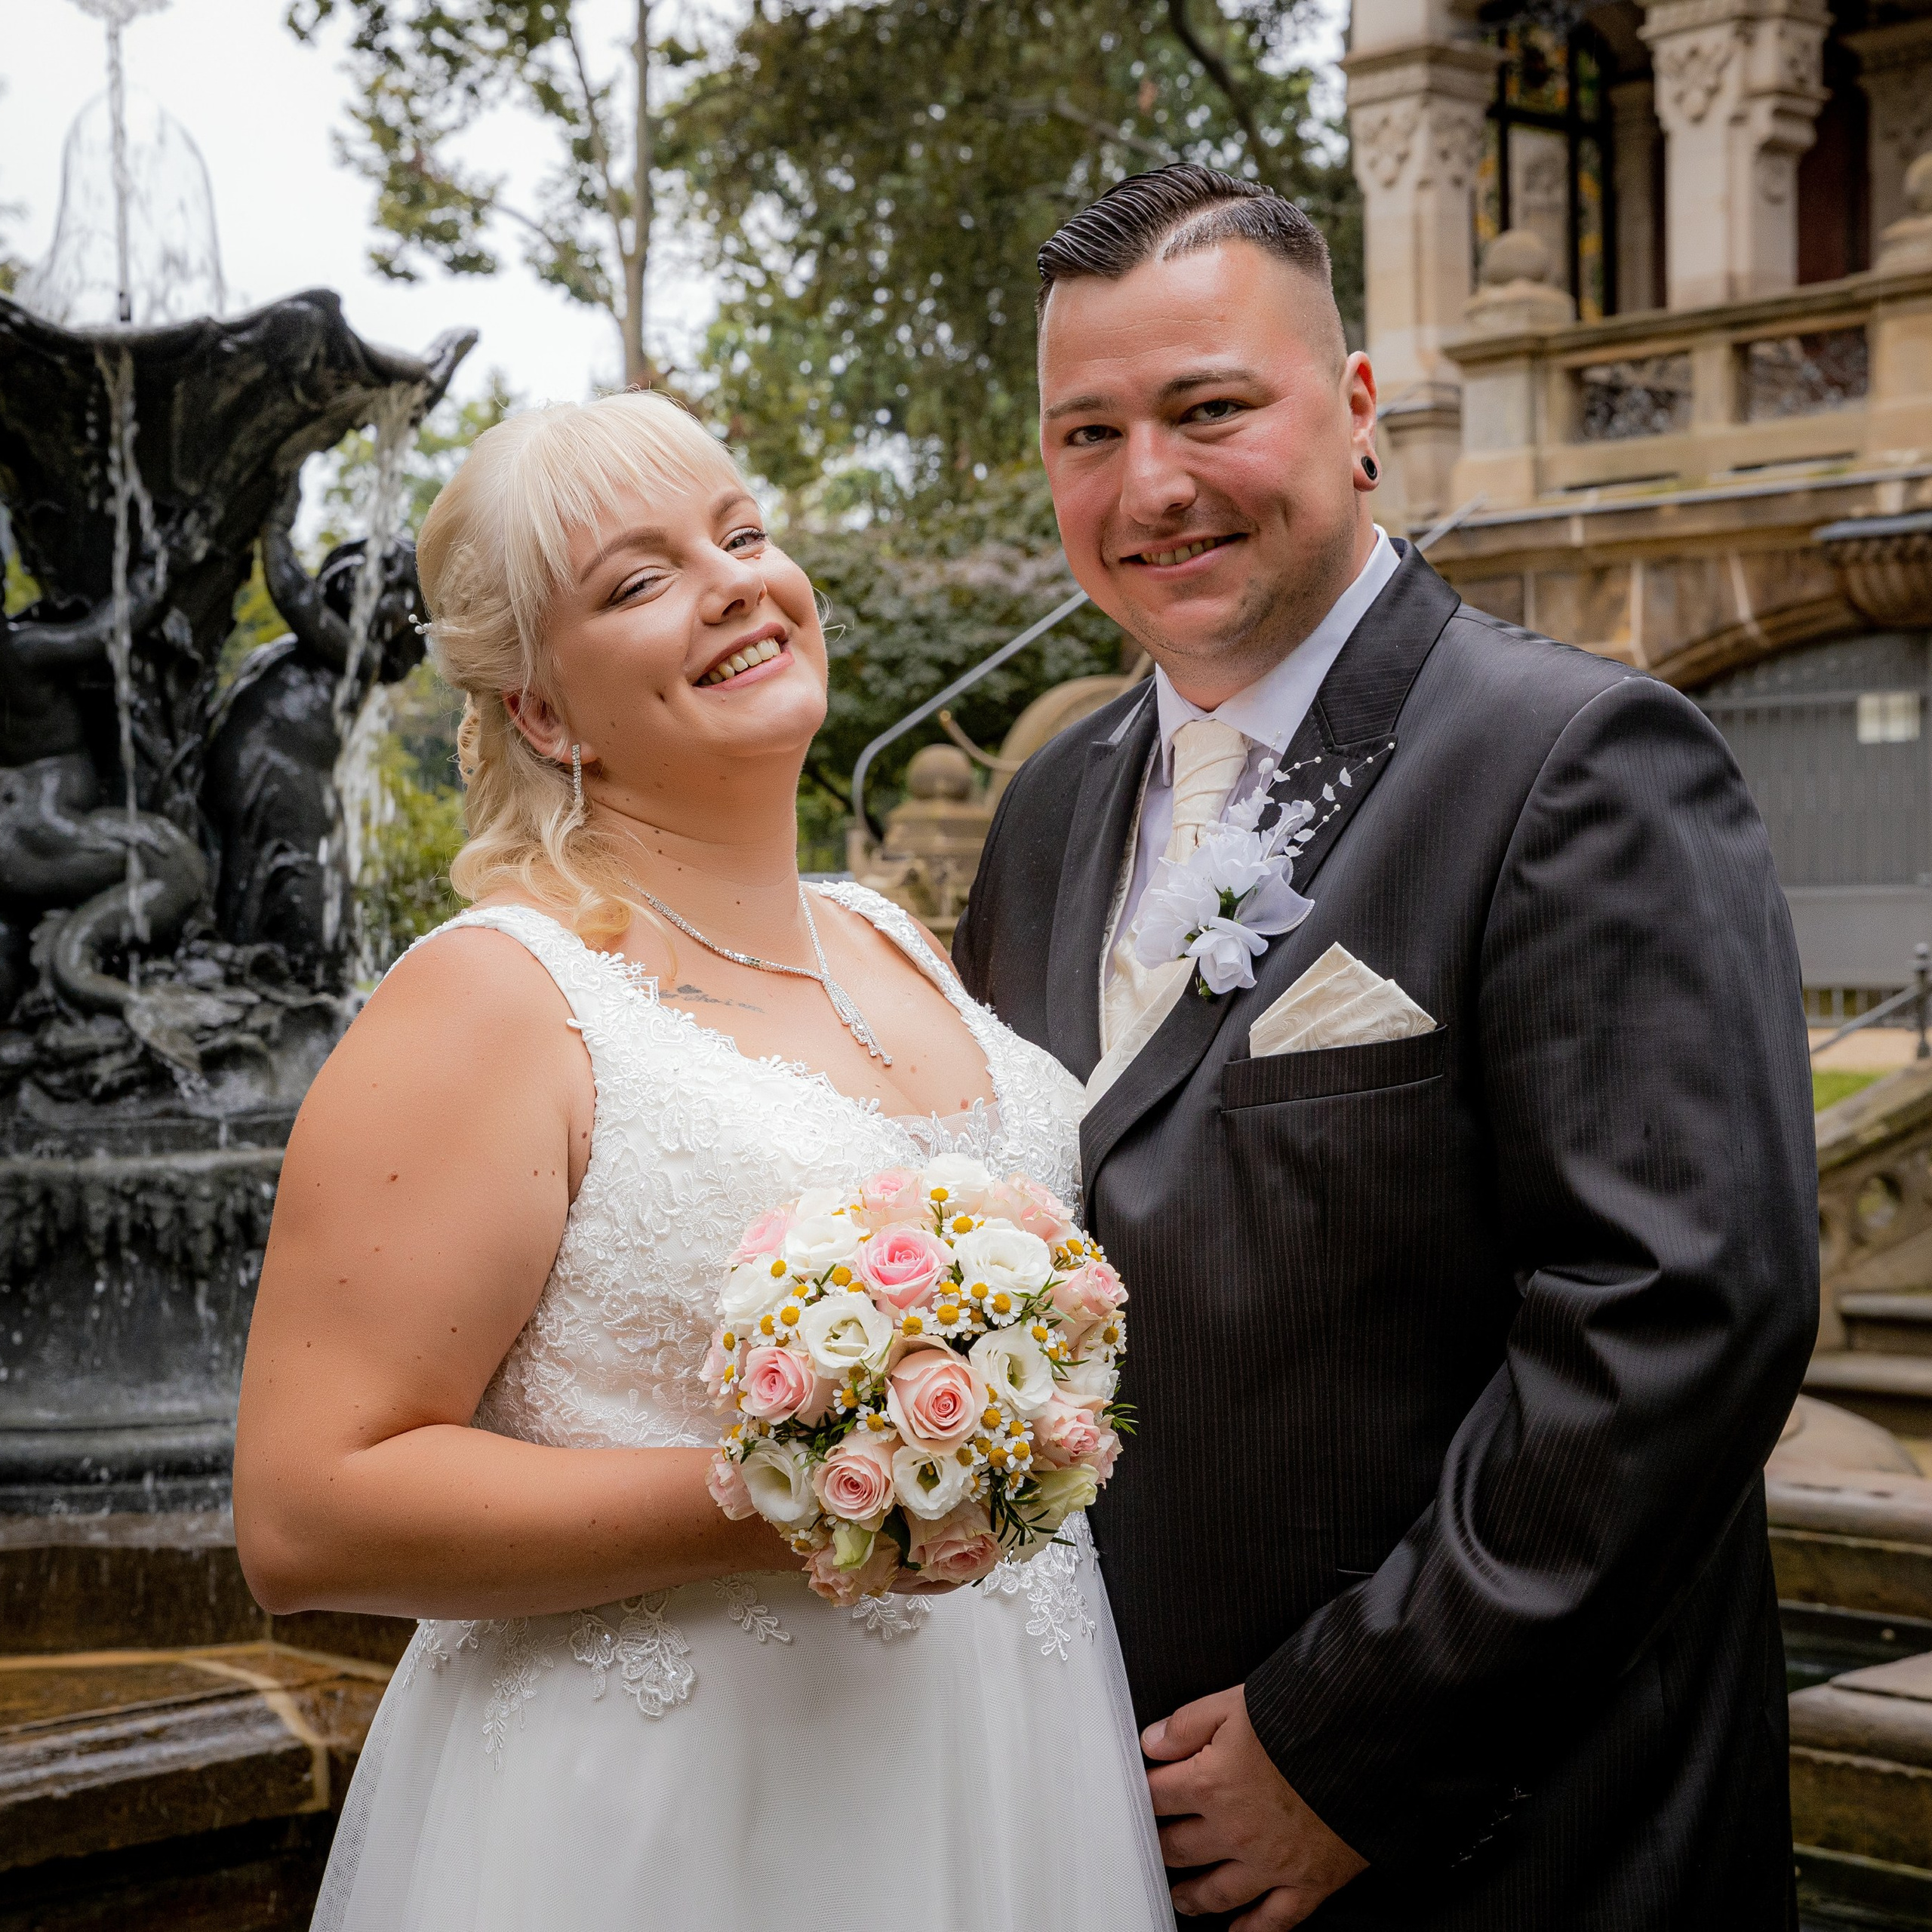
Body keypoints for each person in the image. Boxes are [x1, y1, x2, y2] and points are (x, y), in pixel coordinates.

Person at [953, 162, 1817, 1929]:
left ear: (1355, 410)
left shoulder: (1575, 759)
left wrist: (1344, 1744)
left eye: (1207, 409)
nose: (1148, 484)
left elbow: (1675, 1316)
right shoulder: (1045, 809)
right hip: (1096, 1817)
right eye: (1087, 434)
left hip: (1500, 1842)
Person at [230, 390, 1172, 1932]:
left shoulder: (887, 934)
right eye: (639, 580)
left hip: (1004, 1763)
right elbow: (306, 1511)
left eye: (741, 534)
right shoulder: (495, 999)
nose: (736, 583)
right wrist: (803, 1492)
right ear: (544, 713)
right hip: (671, 1814)